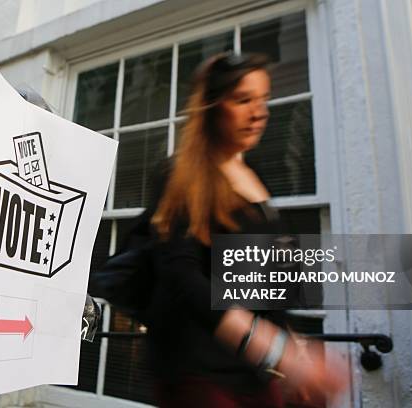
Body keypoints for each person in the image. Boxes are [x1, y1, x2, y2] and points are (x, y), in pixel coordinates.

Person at [143, 53, 348, 407]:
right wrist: (278, 351)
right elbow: (184, 279)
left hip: (253, 375)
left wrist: (293, 353)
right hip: (201, 376)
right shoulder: (181, 174)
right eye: (243, 100)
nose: (259, 112)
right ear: (210, 108)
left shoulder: (256, 177)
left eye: (263, 99)